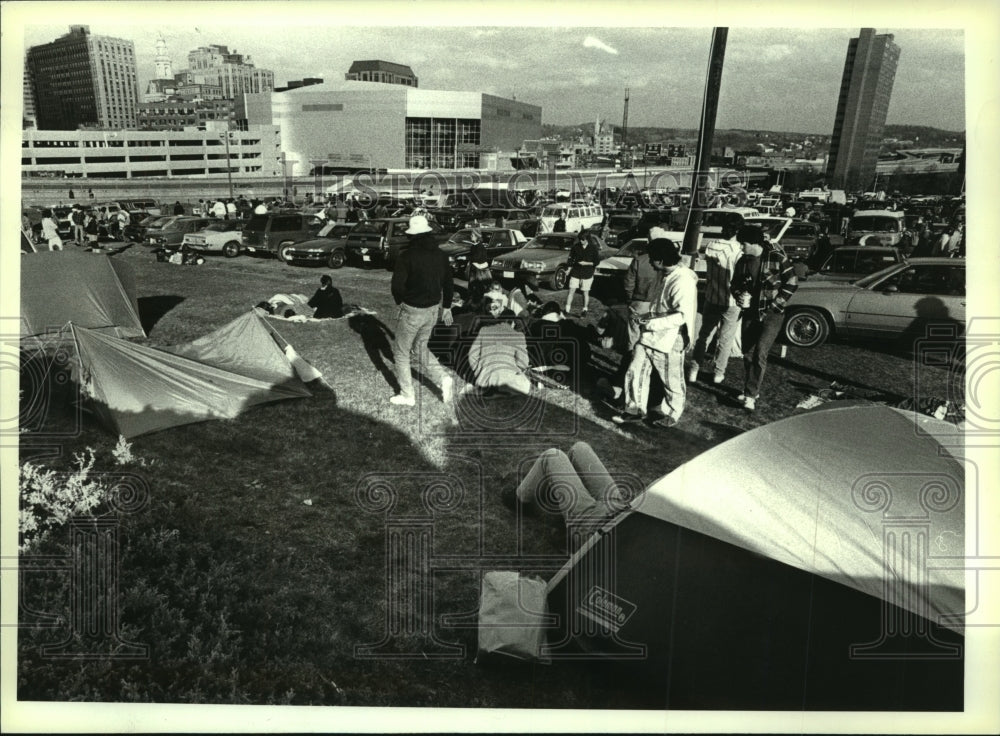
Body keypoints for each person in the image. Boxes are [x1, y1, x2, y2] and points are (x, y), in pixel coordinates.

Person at [613, 238, 698, 429]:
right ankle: (634, 411)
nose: (650, 263)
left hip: (670, 339)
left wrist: (650, 322)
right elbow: (661, 306)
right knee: (636, 370)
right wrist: (647, 317)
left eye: (652, 259)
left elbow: (681, 316)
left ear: (660, 260)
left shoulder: (683, 280)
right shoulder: (666, 275)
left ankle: (671, 414)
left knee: (671, 380)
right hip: (650, 335)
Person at [389, 214, 455, 406]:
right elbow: (449, 283)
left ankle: (407, 395)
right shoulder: (441, 255)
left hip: (413, 310)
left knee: (401, 353)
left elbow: (397, 286)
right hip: (433, 310)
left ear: (412, 235)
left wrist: (401, 301)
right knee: (420, 347)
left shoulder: (406, 256)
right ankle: (443, 378)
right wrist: (448, 306)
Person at [731, 225, 798, 413]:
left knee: (760, 353)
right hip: (750, 313)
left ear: (753, 243)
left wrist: (775, 305)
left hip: (772, 315)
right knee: (746, 353)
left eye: (743, 244)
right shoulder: (742, 261)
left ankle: (750, 395)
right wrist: (738, 294)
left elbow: (792, 283)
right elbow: (734, 283)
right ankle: (752, 388)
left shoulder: (777, 257)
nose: (741, 247)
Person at [513, 442, 631, 525]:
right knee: (580, 448)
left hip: (597, 526)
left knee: (553, 455)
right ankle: (561, 503)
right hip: (621, 510)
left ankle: (521, 500)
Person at [688, 221, 743, 385]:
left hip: (712, 296)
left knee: (704, 335)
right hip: (731, 299)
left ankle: (694, 369)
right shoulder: (738, 250)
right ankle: (718, 372)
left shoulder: (711, 245)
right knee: (725, 338)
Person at [467, 288, 532, 395]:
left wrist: (479, 371)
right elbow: (523, 363)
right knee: (525, 384)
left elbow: (472, 355)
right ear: (513, 323)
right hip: (508, 379)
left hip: (484, 380)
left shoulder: (484, 330)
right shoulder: (518, 335)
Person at [564, 228, 601, 317]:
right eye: (580, 239)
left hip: (587, 273)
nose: (581, 241)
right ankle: (567, 309)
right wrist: (569, 269)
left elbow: (597, 261)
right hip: (576, 272)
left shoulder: (593, 248)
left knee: (585, 292)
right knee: (571, 290)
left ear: (587, 239)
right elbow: (571, 259)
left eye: (583, 240)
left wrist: (586, 263)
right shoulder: (575, 247)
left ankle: (584, 309)